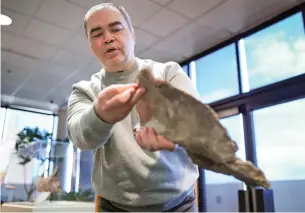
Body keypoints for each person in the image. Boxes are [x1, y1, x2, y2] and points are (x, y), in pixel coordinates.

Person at [67, 2, 201, 212]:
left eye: (116, 28)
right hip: (114, 207)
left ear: (133, 34)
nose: (108, 38)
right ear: (90, 44)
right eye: (97, 33)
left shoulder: (168, 73)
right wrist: (99, 115)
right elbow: (79, 136)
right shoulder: (84, 91)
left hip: (179, 205)